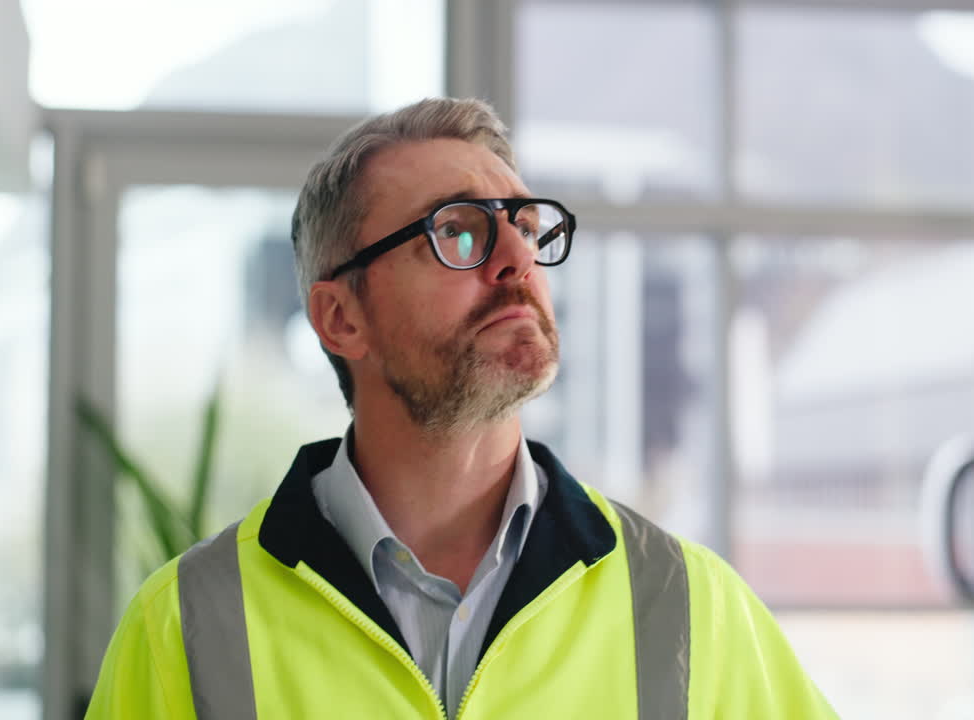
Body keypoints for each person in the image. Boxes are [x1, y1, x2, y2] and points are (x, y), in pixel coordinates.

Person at [85, 97, 837, 719]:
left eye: (526, 227)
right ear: (341, 317)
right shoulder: (184, 628)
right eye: (457, 230)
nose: (517, 259)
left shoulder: (690, 607)